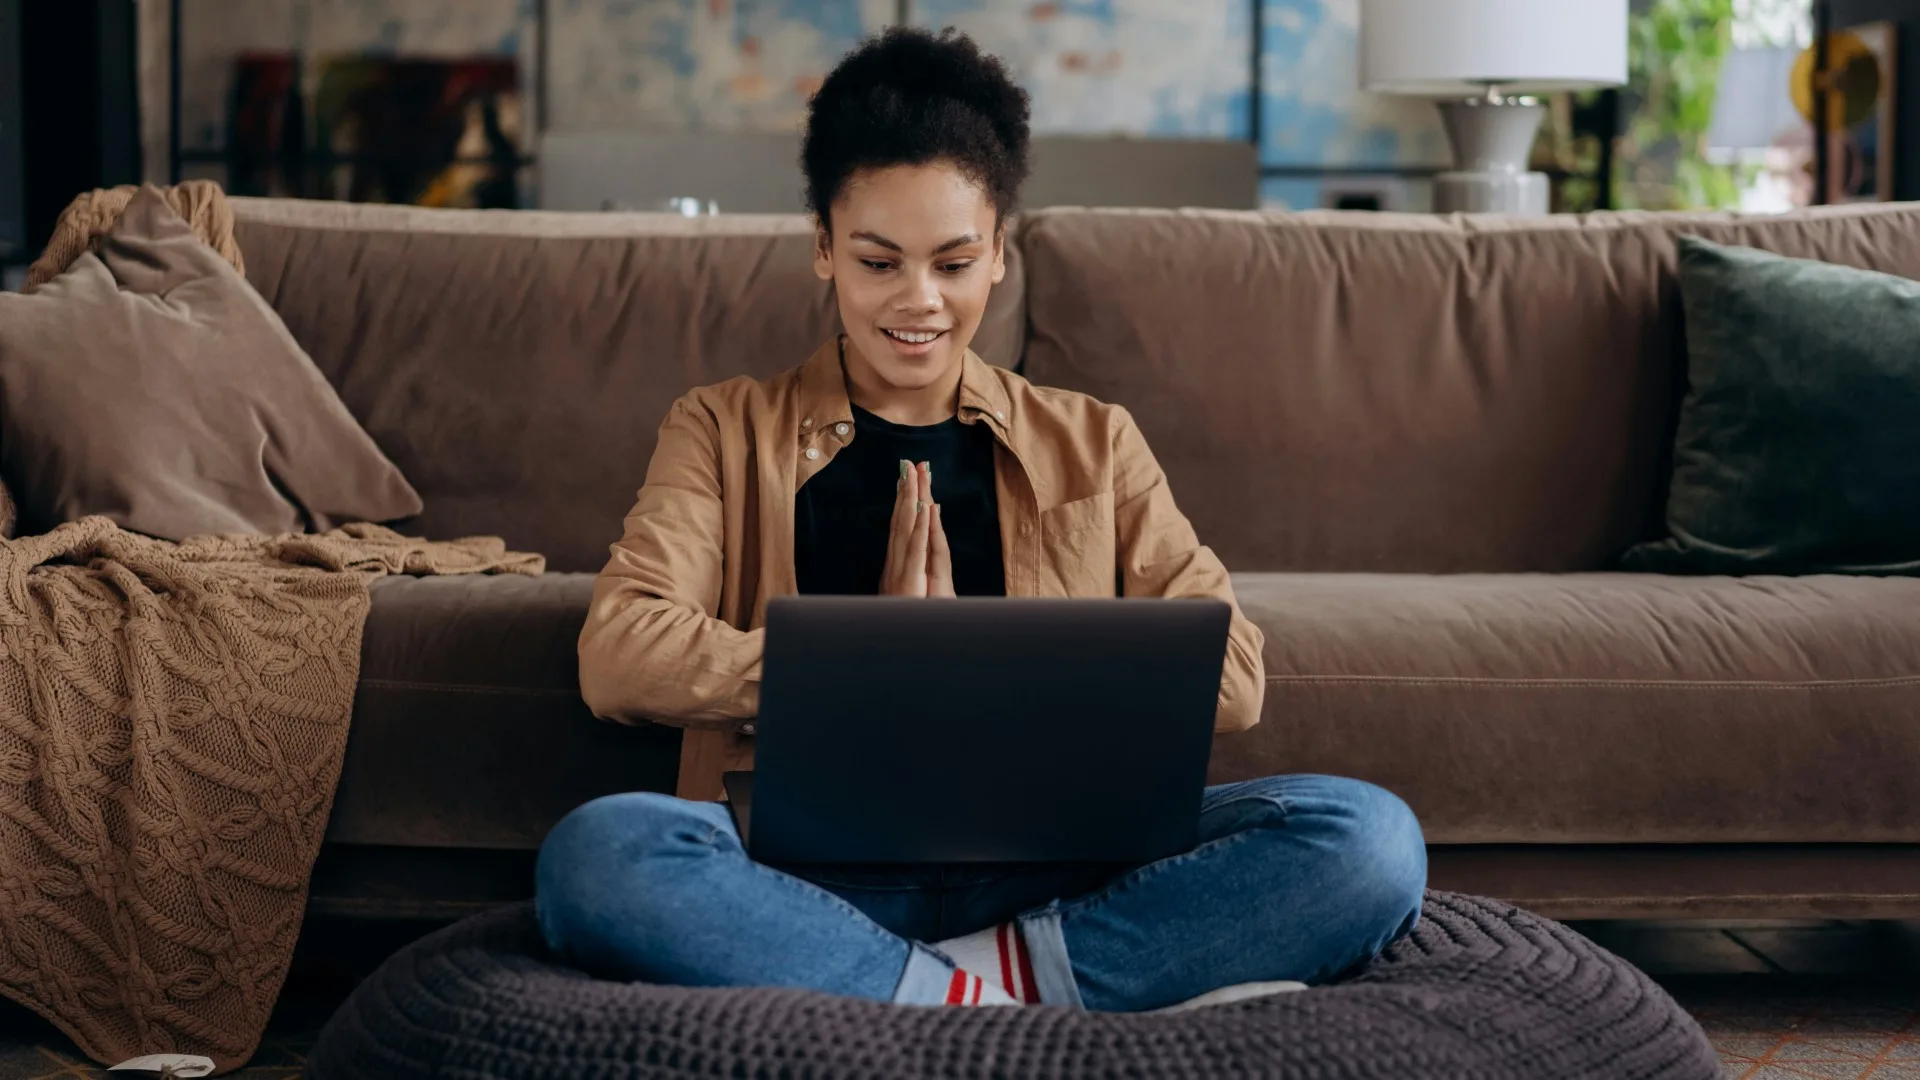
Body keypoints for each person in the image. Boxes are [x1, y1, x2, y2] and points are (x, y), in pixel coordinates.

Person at [536, 26, 1426, 1012]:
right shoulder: (719, 427)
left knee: (1370, 840)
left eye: (954, 263)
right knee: (599, 855)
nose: (918, 302)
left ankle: (923, 994)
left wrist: (978, 664)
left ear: (999, 254)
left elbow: (1235, 677)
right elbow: (617, 653)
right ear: (824, 250)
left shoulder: (1095, 442)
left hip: (1048, 872)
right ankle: (1011, 996)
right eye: (879, 262)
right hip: (800, 875)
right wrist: (866, 665)